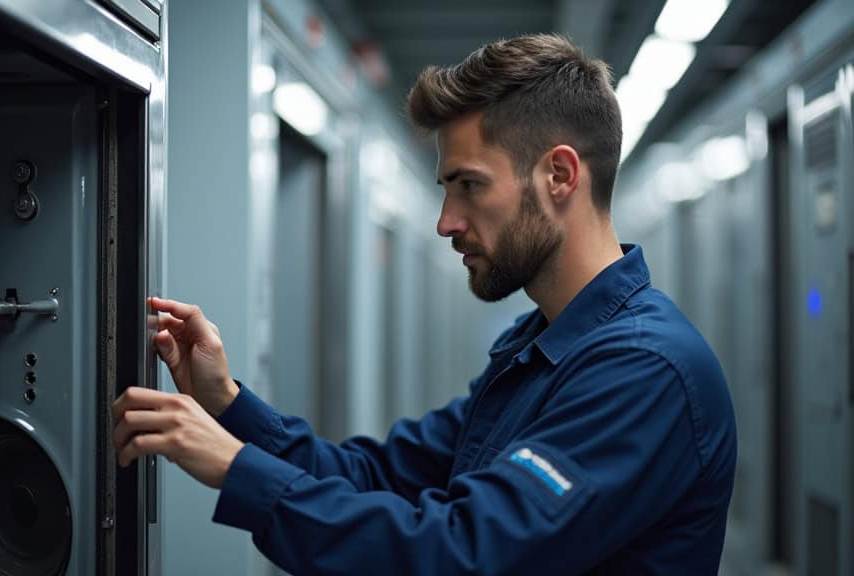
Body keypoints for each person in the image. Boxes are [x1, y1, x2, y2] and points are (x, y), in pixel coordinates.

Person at [112, 34, 736, 575]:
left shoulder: (646, 371)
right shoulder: (538, 348)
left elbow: (463, 553)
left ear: (560, 176)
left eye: (469, 185)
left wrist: (238, 470)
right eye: (447, 189)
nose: (446, 222)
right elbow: (374, 477)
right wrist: (228, 406)